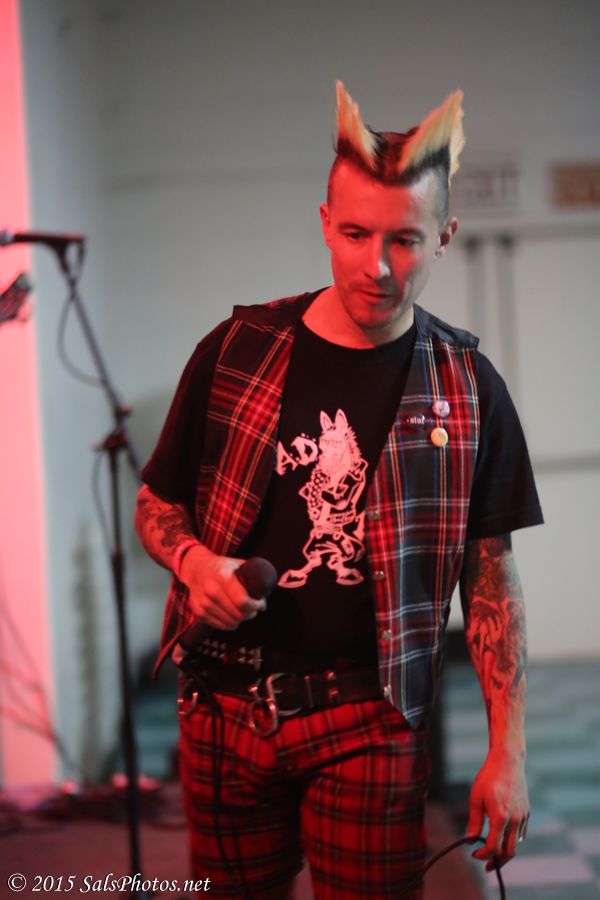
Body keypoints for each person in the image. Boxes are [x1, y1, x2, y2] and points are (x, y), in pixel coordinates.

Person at [135, 82, 543, 899]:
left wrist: (509, 751)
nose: (376, 265)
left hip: (370, 712)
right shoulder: (237, 350)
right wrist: (193, 564)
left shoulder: (467, 387)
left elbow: (489, 575)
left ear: (444, 237)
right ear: (325, 223)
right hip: (222, 705)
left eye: (405, 240)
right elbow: (157, 503)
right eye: (355, 233)